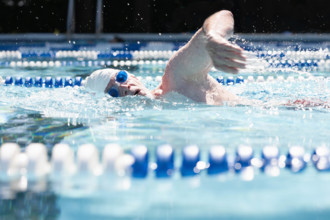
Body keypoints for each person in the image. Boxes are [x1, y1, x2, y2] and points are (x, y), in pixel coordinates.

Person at [85, 10, 246, 105]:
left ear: (133, 75)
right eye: (113, 92)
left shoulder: (177, 76)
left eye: (121, 77)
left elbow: (224, 16)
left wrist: (214, 37)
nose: (124, 87)